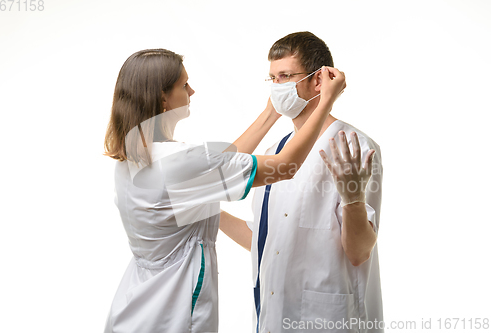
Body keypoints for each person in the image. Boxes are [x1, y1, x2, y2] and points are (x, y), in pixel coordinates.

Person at [102, 48, 345, 332]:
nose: (192, 91)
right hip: (172, 313)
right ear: (162, 98)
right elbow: (286, 166)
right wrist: (326, 100)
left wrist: (270, 113)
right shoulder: (180, 161)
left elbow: (221, 164)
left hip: (134, 307)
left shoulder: (133, 157)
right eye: (183, 85)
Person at [220, 32, 383, 333]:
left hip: (327, 321)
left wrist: (353, 199)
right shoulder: (275, 152)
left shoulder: (351, 146)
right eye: (271, 79)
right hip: (272, 317)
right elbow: (264, 240)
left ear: (317, 80)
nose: (277, 87)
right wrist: (206, 212)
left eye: (285, 76)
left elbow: (359, 252)